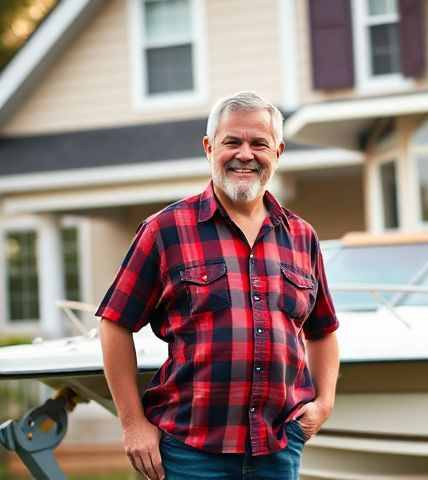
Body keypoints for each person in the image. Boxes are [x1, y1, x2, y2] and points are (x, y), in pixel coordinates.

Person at [97, 91, 340, 480]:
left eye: (259, 143)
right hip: (189, 453)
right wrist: (132, 424)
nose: (245, 154)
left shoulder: (301, 236)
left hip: (277, 450)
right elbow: (114, 323)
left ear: (277, 152)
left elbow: (323, 331)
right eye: (232, 142)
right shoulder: (164, 230)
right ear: (209, 147)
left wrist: (323, 404)